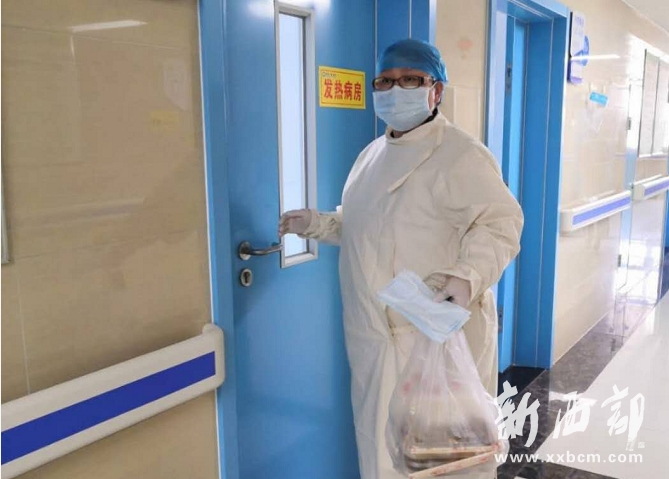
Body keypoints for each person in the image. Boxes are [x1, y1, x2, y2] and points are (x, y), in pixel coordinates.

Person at [279, 39, 523, 479]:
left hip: (430, 339)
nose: (396, 90)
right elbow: (365, 227)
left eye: (411, 80)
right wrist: (317, 223)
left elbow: (501, 223)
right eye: (385, 81)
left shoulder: (460, 154)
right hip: (372, 338)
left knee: (445, 462)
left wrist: (466, 277)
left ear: (436, 90)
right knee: (380, 449)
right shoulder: (371, 156)